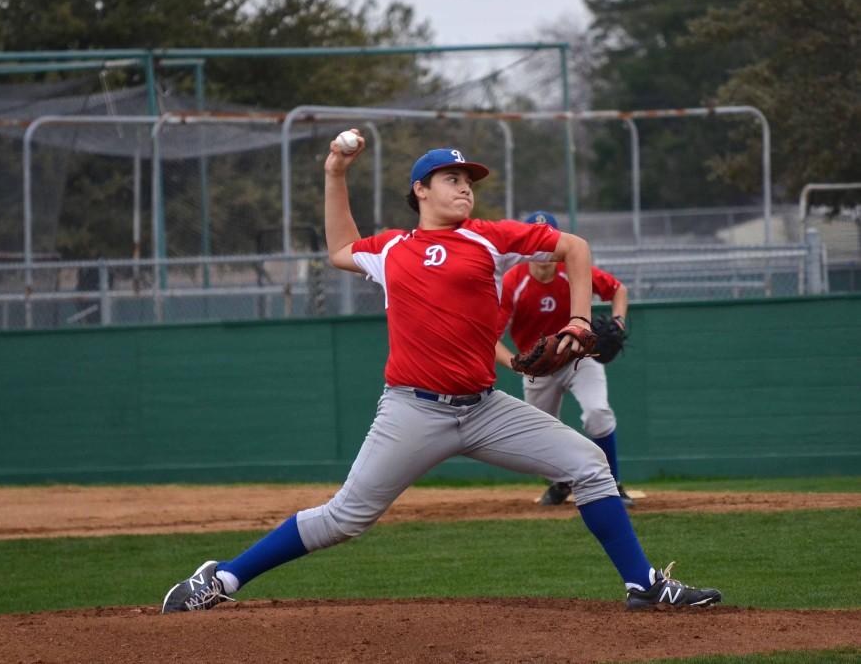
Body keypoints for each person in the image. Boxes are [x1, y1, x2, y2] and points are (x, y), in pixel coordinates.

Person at [161, 133, 721, 613]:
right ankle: (222, 578)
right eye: (449, 177)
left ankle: (643, 586)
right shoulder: (393, 249)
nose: (463, 186)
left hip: (484, 408)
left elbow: (574, 247)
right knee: (345, 519)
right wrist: (335, 171)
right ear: (420, 192)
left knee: (590, 465)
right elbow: (338, 249)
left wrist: (578, 318)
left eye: (467, 178)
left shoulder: (489, 237)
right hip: (413, 410)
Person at [495, 210, 634, 508]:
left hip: (578, 357)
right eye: (534, 238)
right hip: (539, 366)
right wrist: (517, 363)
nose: (541, 246)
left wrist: (619, 322)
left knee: (598, 413)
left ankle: (611, 484)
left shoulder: (572, 269)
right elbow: (489, 338)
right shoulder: (512, 283)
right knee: (538, 435)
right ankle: (561, 483)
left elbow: (618, 289)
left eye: (547, 238)